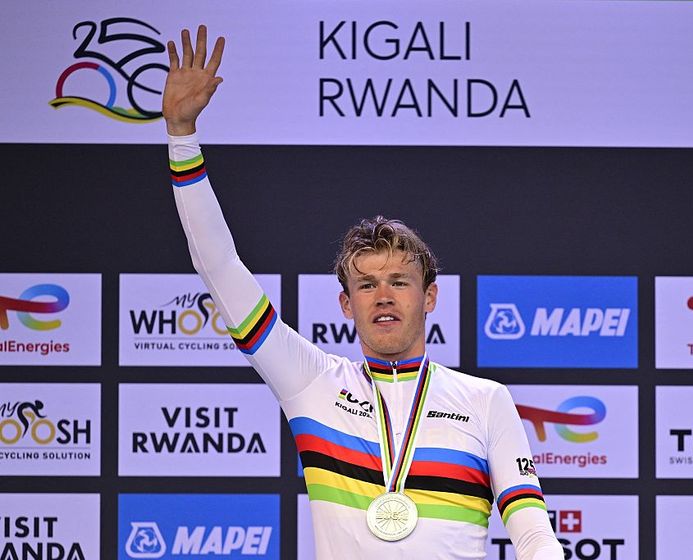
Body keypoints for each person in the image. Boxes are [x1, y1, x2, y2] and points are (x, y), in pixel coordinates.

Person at [163, 25, 563, 559]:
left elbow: (534, 535)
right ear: (346, 305)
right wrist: (181, 135)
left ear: (430, 297)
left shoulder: (485, 401)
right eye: (367, 285)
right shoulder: (310, 384)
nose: (384, 296)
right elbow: (219, 267)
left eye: (400, 282)